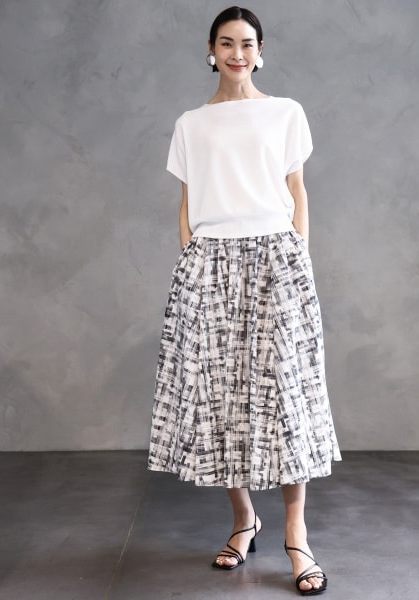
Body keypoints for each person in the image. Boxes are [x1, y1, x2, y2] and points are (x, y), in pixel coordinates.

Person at [148, 5, 341, 596]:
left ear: (261, 51)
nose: (238, 53)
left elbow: (296, 190)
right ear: (211, 51)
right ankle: (243, 519)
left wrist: (299, 259)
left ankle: (296, 534)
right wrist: (190, 257)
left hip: (275, 257)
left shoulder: (285, 113)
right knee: (219, 397)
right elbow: (187, 201)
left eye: (248, 43)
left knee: (285, 397)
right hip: (209, 261)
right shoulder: (191, 124)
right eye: (227, 43)